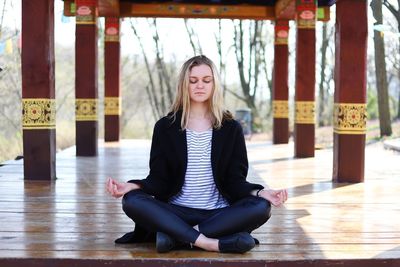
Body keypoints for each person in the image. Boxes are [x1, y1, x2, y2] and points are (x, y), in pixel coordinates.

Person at [106, 55, 288, 253]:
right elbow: (159, 180)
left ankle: (177, 237)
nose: (199, 85)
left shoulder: (231, 128)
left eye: (206, 80)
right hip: (176, 213)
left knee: (261, 206)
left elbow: (235, 181)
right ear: (184, 85)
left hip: (219, 214)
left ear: (214, 84)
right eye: (193, 81)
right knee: (132, 201)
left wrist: (261, 192)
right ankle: (209, 242)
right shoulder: (165, 127)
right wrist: (132, 186)